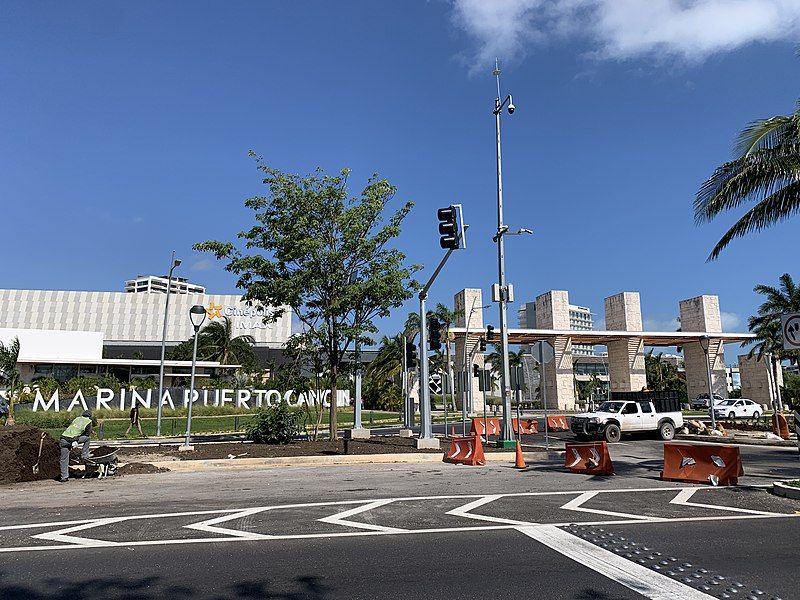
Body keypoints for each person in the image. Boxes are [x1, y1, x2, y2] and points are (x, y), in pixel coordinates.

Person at [58, 410, 93, 483]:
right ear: (90, 416)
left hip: (63, 439)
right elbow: (87, 434)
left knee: (64, 459)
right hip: (73, 440)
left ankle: (64, 477)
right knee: (88, 439)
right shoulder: (88, 421)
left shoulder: (77, 418)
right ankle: (84, 455)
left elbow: (75, 428)